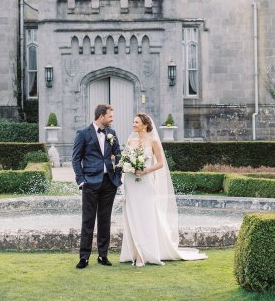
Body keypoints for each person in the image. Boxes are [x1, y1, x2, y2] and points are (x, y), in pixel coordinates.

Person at [120, 113, 207, 266]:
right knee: (132, 216)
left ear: (145, 125)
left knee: (146, 216)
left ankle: (144, 254)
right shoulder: (130, 141)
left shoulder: (153, 141)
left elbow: (160, 163)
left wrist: (145, 170)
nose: (133, 124)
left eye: (136, 122)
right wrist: (129, 167)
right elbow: (125, 159)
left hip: (146, 182)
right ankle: (133, 252)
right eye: (133, 122)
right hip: (131, 182)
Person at [72, 104, 122, 269]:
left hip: (109, 183)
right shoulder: (83, 134)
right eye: (110, 116)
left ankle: (103, 255)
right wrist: (81, 180)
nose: (112, 119)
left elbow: (119, 155)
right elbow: (76, 159)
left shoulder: (112, 133)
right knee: (88, 220)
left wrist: (118, 174)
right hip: (90, 183)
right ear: (101, 116)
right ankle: (84, 257)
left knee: (105, 220)